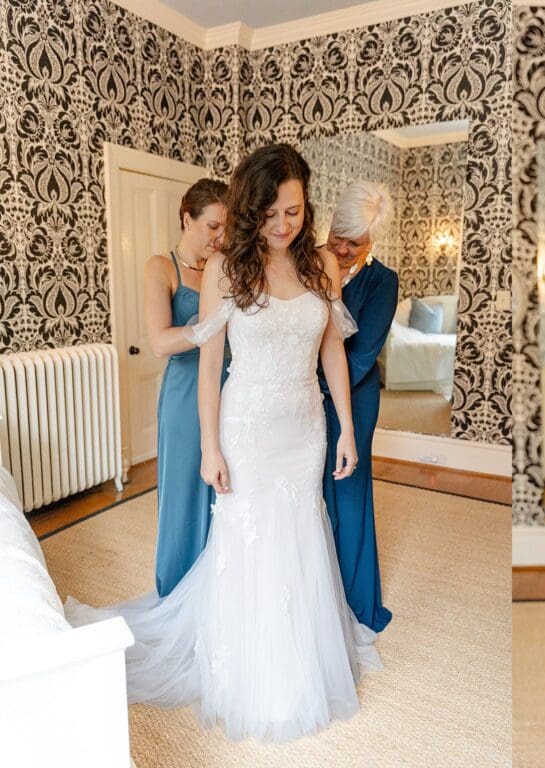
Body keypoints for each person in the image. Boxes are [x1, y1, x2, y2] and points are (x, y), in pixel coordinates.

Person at [65, 144, 381, 742]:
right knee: (250, 535)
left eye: (293, 211)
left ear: (306, 206)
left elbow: (332, 351)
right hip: (247, 426)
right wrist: (210, 447)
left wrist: (345, 425)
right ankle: (246, 668)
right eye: (270, 213)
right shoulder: (225, 269)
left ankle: (300, 661)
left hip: (304, 426)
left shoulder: (321, 264)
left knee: (301, 529)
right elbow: (210, 366)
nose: (282, 224)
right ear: (249, 209)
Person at [318, 182, 399, 632]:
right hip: (301, 396)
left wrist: (310, 384)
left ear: (372, 241)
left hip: (354, 396)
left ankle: (352, 602)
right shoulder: (306, 261)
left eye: (356, 243)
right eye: (338, 236)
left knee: (347, 493)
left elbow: (361, 356)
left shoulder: (382, 282)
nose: (343, 249)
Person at [143, 178, 230, 597]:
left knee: (225, 489)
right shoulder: (161, 267)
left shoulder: (226, 266)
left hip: (229, 388)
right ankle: (177, 592)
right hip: (184, 396)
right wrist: (208, 327)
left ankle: (218, 594)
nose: (221, 237)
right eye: (213, 226)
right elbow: (160, 342)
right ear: (186, 218)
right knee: (183, 493)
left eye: (227, 228)